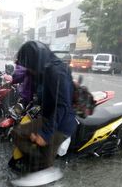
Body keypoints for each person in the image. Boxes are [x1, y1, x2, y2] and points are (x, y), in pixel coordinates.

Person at [10, 40, 78, 173]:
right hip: (48, 117)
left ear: (35, 61)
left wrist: (45, 134)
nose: (28, 69)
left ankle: (44, 167)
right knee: (17, 132)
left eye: (29, 65)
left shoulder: (56, 72)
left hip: (60, 124)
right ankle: (39, 162)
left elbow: (62, 106)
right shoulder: (45, 68)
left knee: (37, 168)